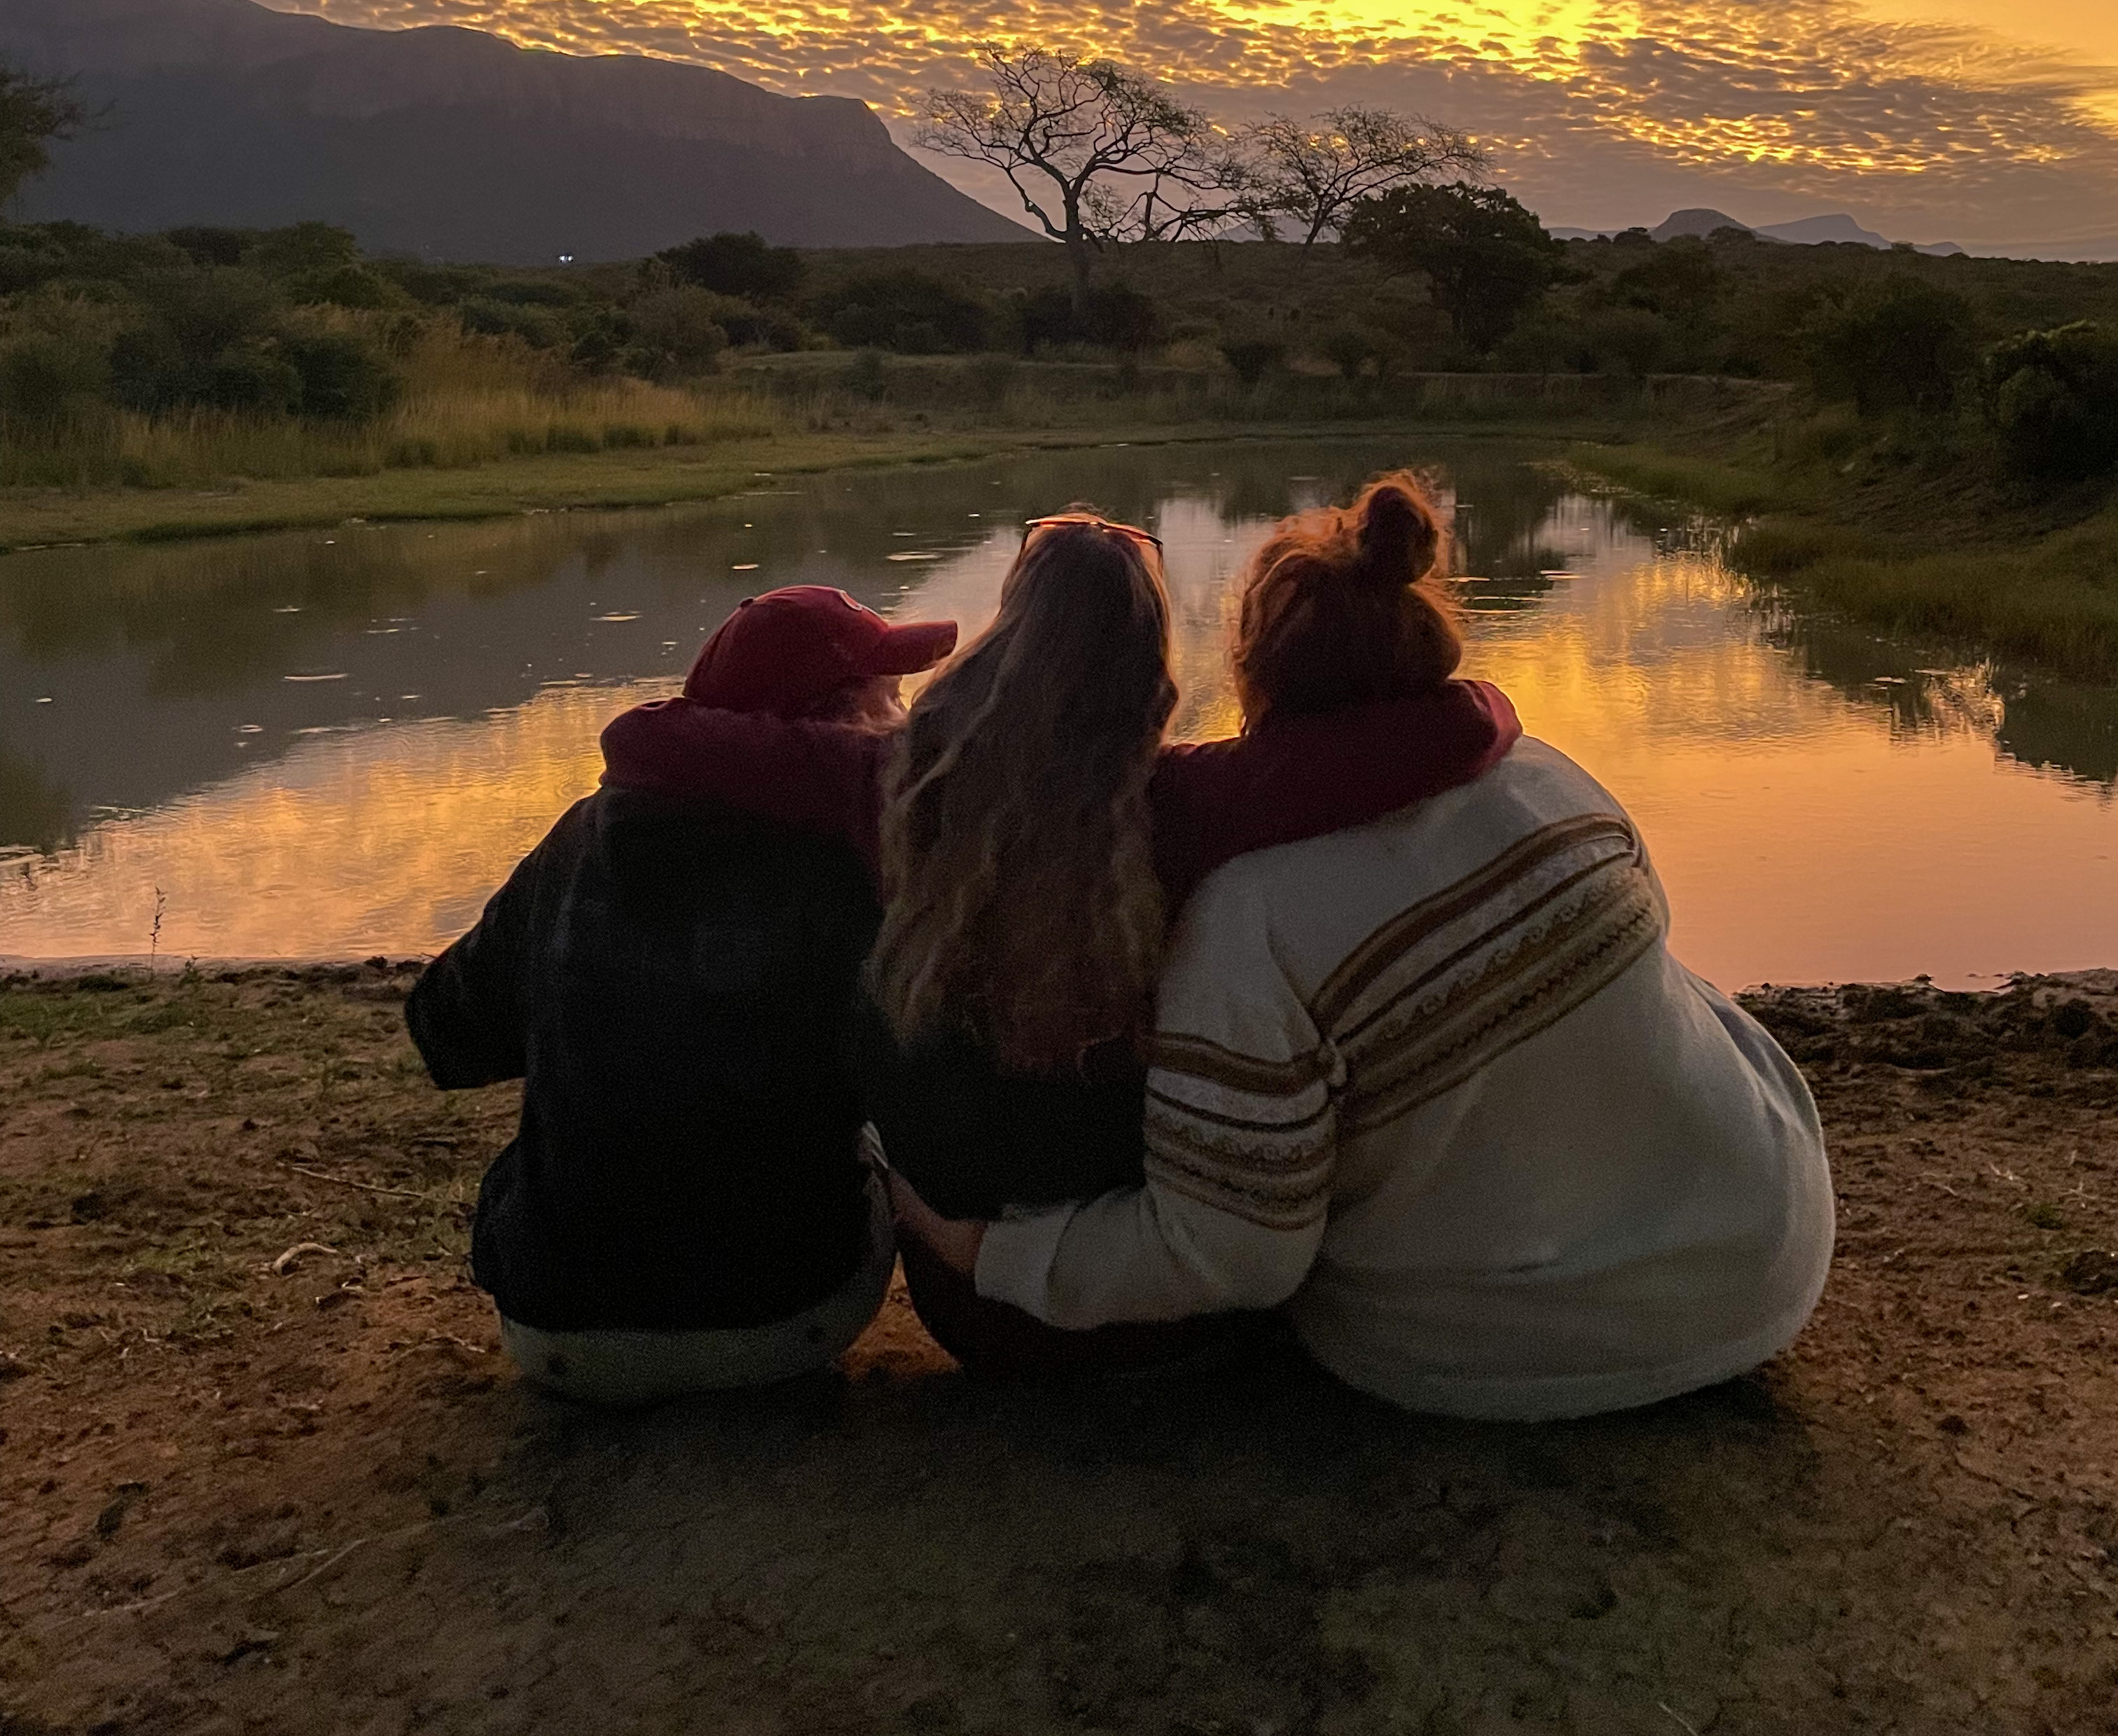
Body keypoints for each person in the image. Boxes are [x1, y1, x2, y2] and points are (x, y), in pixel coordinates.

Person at [899, 475, 1836, 1422]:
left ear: (1255, 682)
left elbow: (1232, 1254)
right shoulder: (1549, 776)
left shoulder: (1247, 920)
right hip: (1768, 1244)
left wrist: (987, 1250)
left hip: (1526, 1351)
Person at [598, 504, 1522, 1373]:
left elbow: (641, 737)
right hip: (1185, 1320)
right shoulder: (1196, 799)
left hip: (974, 1314)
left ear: (1004, 638)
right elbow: (1464, 721)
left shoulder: (882, 777)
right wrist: (1500, 710)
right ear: (1152, 673)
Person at [405, 583, 956, 1403]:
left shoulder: (580, 837)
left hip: (554, 1331)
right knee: (876, 1131)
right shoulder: (850, 869)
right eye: (891, 700)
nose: (906, 723)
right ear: (833, 722)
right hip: (784, 1322)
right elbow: (925, 1099)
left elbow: (445, 1033)